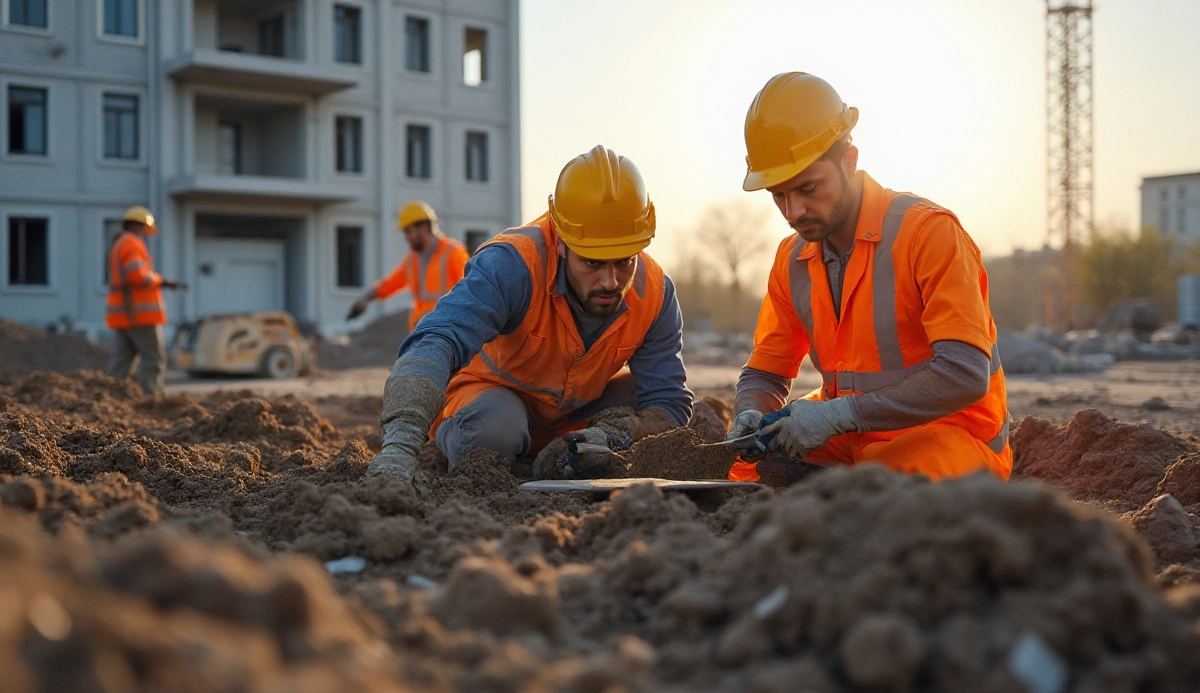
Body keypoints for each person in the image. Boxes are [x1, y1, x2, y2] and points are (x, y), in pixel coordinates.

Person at [727, 72, 1011, 482]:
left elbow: (965, 373)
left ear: (849, 161)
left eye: (808, 188)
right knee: (743, 471)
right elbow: (766, 373)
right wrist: (751, 412)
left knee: (895, 491)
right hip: (849, 435)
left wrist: (839, 414)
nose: (794, 212)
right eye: (779, 196)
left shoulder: (928, 233)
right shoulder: (791, 260)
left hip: (948, 435)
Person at [363, 146, 693, 493]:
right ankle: (485, 441)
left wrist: (614, 435)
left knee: (654, 406)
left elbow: (668, 401)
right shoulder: (513, 265)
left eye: (625, 260)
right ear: (562, 243)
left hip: (575, 411)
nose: (611, 282)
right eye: (593, 263)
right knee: (493, 434)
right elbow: (435, 339)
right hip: (491, 401)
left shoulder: (656, 293)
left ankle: (569, 451)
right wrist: (398, 448)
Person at [347, 201, 470, 331]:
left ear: (423, 228)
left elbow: (469, 290)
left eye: (408, 231)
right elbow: (391, 283)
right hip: (421, 330)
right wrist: (366, 297)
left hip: (446, 332)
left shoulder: (453, 253)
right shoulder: (413, 259)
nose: (406, 237)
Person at [106, 205, 185, 396]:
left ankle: (108, 398)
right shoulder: (133, 243)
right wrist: (161, 280)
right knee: (154, 359)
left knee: (122, 361)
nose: (146, 235)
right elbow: (138, 276)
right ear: (140, 226)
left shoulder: (118, 244)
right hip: (140, 316)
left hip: (124, 314)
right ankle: (152, 399)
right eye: (145, 230)